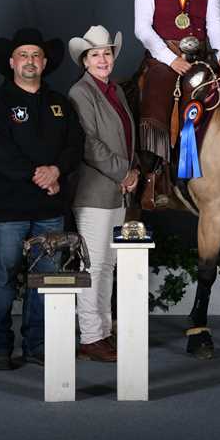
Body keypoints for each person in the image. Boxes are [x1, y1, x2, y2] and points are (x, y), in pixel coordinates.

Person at [0, 28, 84, 370]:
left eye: (36, 55)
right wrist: (40, 177)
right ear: (11, 62)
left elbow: (75, 145)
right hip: (8, 208)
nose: (30, 61)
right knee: (2, 278)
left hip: (50, 209)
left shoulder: (60, 104)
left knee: (46, 279)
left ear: (45, 62)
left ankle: (37, 344)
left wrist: (56, 170)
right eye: (23, 55)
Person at [133, 0, 220, 208]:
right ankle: (155, 174)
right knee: (157, 92)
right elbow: (142, 29)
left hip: (200, 56)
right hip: (163, 56)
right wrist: (169, 58)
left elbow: (215, 23)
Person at [66, 26, 138, 363]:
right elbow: (89, 144)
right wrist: (124, 172)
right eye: (95, 54)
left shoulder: (116, 90)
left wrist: (131, 172)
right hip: (93, 192)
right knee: (93, 266)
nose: (102, 59)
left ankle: (103, 332)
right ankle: (90, 336)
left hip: (118, 192)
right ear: (84, 60)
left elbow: (126, 138)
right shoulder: (81, 92)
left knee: (107, 265)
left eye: (107, 53)